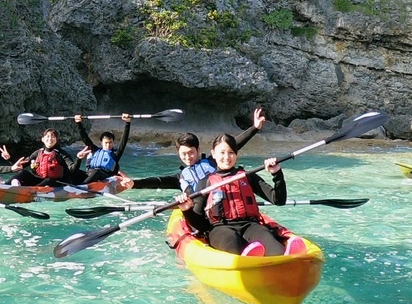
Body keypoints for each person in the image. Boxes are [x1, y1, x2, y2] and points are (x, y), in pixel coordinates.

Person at [174, 132, 304, 257]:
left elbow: (278, 200)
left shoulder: (247, 176)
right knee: (234, 245)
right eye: (222, 153)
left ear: (236, 154)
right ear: (213, 154)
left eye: (231, 152)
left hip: (250, 225)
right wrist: (186, 210)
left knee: (275, 249)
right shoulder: (206, 182)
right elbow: (200, 224)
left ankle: (285, 257)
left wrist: (277, 174)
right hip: (220, 228)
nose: (227, 157)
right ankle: (248, 258)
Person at [120, 107, 267, 194]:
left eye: (191, 152)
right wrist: (135, 183)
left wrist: (255, 128)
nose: (188, 157)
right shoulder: (181, 177)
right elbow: (158, 181)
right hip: (201, 211)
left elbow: (235, 144)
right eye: (183, 154)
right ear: (178, 153)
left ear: (198, 150)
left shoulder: (212, 161)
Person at [2, 126, 82, 187]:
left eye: (53, 136)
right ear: (43, 139)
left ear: (57, 140)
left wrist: (79, 158)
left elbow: (72, 170)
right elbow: (20, 166)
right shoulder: (37, 153)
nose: (50, 139)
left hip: (57, 183)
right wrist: (9, 158)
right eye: (47, 136)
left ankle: (29, 192)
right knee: (23, 173)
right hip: (39, 181)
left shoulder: (62, 154)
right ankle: (4, 186)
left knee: (49, 180)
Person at [74, 113, 132, 183]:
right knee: (74, 171)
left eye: (110, 142)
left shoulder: (115, 154)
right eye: (106, 143)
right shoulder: (95, 150)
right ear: (101, 143)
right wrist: (78, 123)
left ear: (113, 142)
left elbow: (124, 140)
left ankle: (82, 188)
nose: (108, 145)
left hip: (105, 176)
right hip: (90, 174)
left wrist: (127, 123)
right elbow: (85, 138)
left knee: (97, 172)